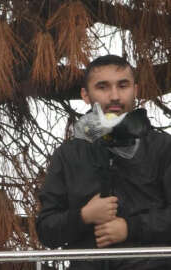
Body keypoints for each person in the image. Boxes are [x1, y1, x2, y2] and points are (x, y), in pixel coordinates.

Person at [36, 55, 171, 270]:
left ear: (135, 90)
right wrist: (83, 216)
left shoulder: (163, 147)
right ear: (85, 95)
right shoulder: (68, 155)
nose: (115, 96)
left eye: (123, 85)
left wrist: (130, 227)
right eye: (103, 87)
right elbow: (46, 230)